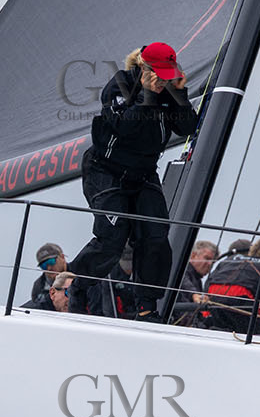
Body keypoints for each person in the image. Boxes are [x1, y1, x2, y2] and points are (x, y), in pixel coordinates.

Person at [67, 42, 198, 320]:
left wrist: (180, 95)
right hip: (105, 171)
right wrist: (147, 96)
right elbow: (124, 127)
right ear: (144, 68)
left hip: (143, 173)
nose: (163, 81)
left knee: (155, 237)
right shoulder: (120, 86)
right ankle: (76, 286)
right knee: (113, 237)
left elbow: (187, 127)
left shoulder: (169, 90)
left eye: (168, 75)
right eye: (159, 76)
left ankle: (147, 306)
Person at [171, 239, 218, 324]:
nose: (210, 264)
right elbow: (183, 280)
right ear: (193, 256)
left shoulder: (197, 281)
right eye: (207, 258)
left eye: (213, 262)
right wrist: (194, 294)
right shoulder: (181, 270)